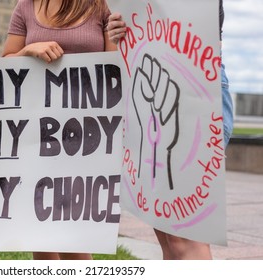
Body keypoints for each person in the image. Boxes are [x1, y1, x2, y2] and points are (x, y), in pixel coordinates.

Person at [107, 0, 233, 260]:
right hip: (154, 82)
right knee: (168, 236)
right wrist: (118, 28)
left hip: (192, 86)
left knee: (184, 237)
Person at [2, 0, 117, 260]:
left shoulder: (101, 6)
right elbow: (6, 61)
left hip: (87, 134)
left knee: (71, 229)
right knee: (39, 225)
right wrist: (29, 50)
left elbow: (115, 66)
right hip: (38, 131)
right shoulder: (26, 7)